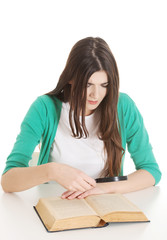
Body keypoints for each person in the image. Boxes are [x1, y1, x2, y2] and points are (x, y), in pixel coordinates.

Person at [1, 37, 161, 199]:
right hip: (56, 204)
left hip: (105, 204)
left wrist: (105, 189)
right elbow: (8, 180)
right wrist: (53, 171)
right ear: (70, 78)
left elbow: (151, 171)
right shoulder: (44, 108)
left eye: (104, 85)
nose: (96, 95)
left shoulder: (123, 106)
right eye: (87, 84)